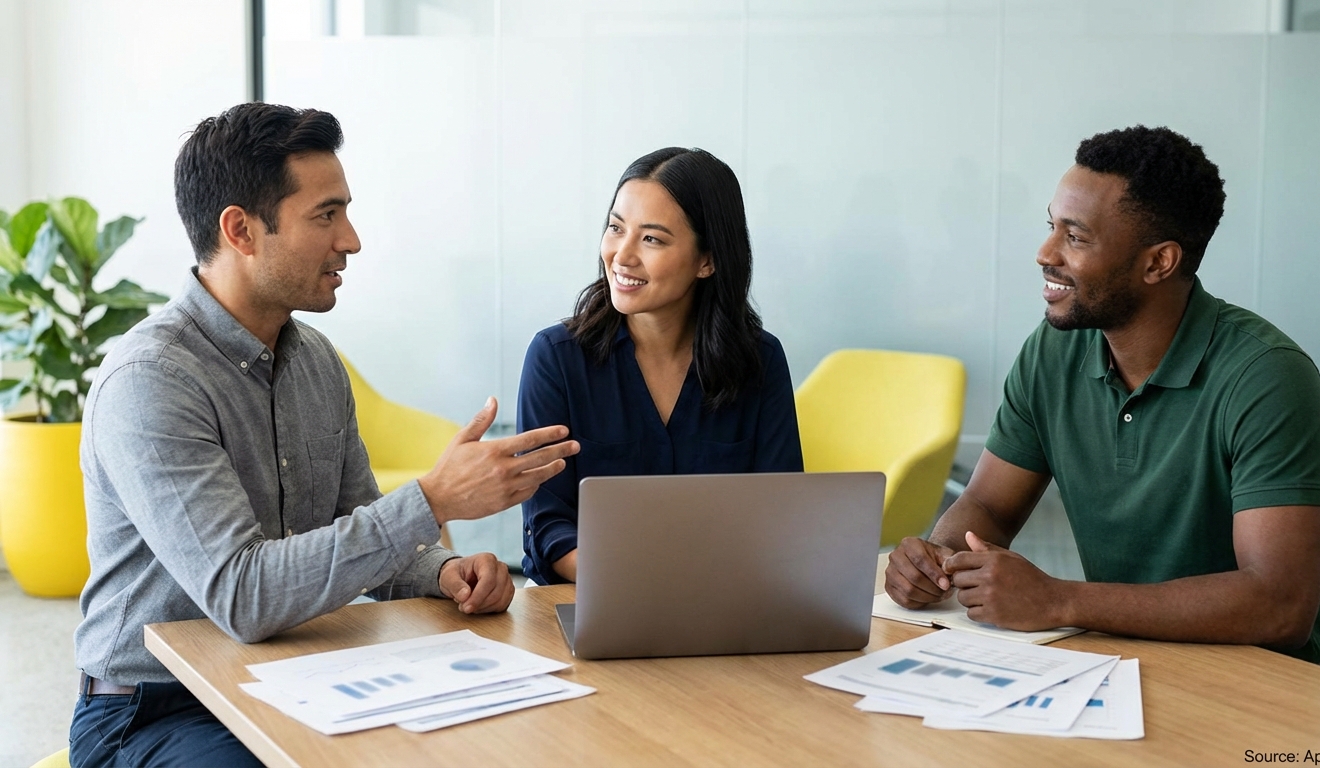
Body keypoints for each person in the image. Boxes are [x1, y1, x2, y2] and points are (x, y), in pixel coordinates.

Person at [70, 103, 579, 767]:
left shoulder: (315, 359)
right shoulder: (151, 380)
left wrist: (443, 569)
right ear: (241, 230)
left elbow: (362, 528)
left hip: (296, 675)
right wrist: (431, 499)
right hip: (151, 708)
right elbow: (242, 595)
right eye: (326, 215)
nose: (352, 240)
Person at [885, 125, 1320, 666]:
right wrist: (938, 559)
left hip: (1263, 683)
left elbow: (1280, 606)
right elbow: (985, 504)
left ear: (1158, 263)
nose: (1044, 252)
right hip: (1121, 662)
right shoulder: (1053, 351)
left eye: (1075, 238)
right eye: (1052, 226)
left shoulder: (1267, 377)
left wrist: (1060, 599)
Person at [518, 147, 804, 585]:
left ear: (707, 260)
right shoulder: (555, 357)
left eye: (651, 238)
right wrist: (636, 578)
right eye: (616, 228)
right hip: (594, 598)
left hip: (728, 601)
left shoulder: (759, 361)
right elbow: (548, 524)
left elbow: (784, 516)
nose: (622, 256)